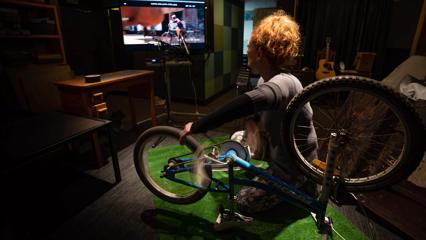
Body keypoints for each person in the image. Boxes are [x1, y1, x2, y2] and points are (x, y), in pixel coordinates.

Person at [179, 10, 318, 214]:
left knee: (242, 201)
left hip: (294, 168)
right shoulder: (267, 79)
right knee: (237, 136)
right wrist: (252, 123)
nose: (247, 51)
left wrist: (198, 126)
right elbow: (256, 111)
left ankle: (300, 187)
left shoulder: (282, 84)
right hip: (279, 150)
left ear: (260, 53)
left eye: (249, 47)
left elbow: (240, 105)